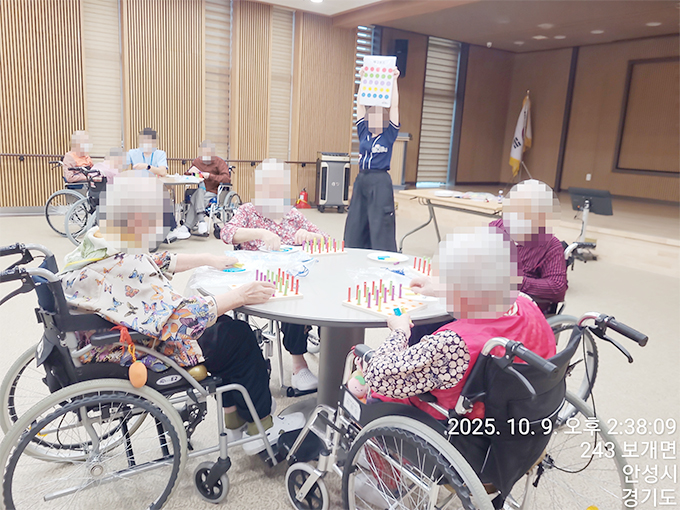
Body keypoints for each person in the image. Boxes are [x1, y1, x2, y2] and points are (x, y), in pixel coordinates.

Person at [60, 170, 305, 455]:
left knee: (224, 328)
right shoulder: (124, 265)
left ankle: (234, 419)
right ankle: (260, 428)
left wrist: (208, 259)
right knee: (236, 336)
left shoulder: (99, 243)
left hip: (100, 340)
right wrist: (239, 296)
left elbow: (155, 261)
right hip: (137, 349)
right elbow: (180, 319)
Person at [362, 226, 556, 422]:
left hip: (454, 420)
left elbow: (379, 377)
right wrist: (441, 288)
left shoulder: (453, 342)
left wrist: (400, 331)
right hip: (517, 410)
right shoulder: (526, 303)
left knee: (363, 369)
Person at [220, 159, 328, 392]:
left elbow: (326, 239)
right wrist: (261, 233)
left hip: (293, 277)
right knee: (291, 304)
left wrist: (310, 236)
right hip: (261, 281)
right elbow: (227, 233)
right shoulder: (248, 212)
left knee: (322, 293)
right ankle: (299, 365)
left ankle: (331, 353)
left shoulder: (293, 215)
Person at [343, 67, 401, 252]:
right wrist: (363, 80)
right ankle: (355, 251)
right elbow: (360, 105)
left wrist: (394, 80)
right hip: (362, 179)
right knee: (356, 219)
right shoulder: (364, 133)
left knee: (380, 222)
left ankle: (383, 254)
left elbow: (394, 106)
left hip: (380, 181)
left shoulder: (389, 135)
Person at [489, 179, 567, 314]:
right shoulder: (496, 227)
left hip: (518, 308)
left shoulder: (550, 245)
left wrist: (516, 281)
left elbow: (557, 288)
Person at [127, 127, 187, 242]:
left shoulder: (159, 154)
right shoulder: (132, 153)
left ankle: (170, 230)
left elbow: (163, 171)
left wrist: (147, 166)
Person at [179, 140, 232, 237]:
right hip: (201, 191)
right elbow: (186, 176)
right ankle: (201, 221)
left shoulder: (219, 162)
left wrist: (210, 176)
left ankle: (186, 226)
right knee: (199, 192)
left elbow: (226, 179)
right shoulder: (197, 161)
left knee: (196, 197)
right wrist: (189, 172)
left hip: (213, 191)